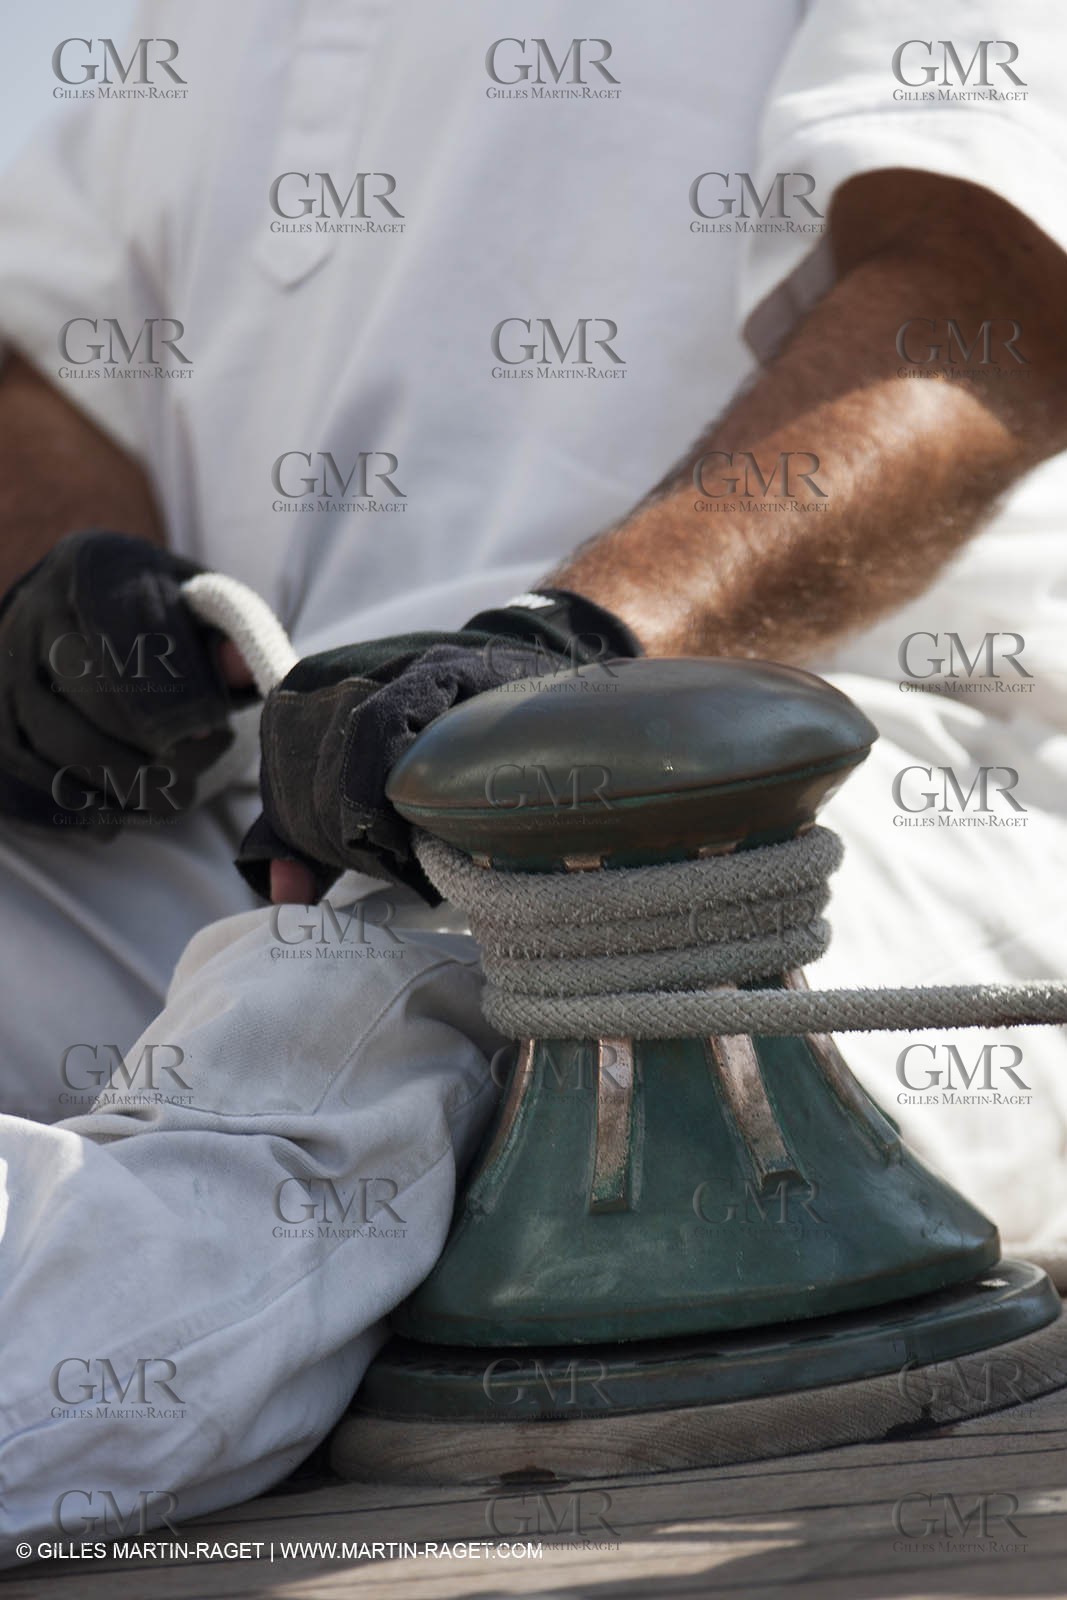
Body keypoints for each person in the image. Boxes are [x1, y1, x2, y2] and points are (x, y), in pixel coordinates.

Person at [1, 0, 1067, 1551]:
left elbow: (988, 301)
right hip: (260, 797)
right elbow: (41, 361)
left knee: (335, 1044)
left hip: (807, 777)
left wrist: (575, 645)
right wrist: (64, 594)